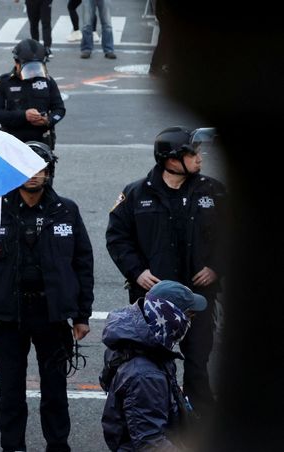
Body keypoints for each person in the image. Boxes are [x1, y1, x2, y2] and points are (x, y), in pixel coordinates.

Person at [0, 141, 94, 452]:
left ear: (49, 172)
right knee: (10, 390)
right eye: (26, 168)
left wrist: (81, 315)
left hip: (52, 315)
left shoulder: (67, 209)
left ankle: (58, 444)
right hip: (9, 315)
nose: (33, 175)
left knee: (55, 388)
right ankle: (13, 446)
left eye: (40, 168)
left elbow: (83, 262)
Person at [105, 126, 227, 420]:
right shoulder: (136, 194)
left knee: (198, 364)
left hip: (198, 301)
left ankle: (200, 426)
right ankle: (157, 421)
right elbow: (117, 237)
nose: (200, 157)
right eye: (192, 152)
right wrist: (137, 272)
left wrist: (216, 267)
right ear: (171, 159)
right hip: (153, 302)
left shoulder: (213, 190)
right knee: (152, 363)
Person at [100, 280, 207, 451]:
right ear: (172, 318)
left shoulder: (140, 344)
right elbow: (151, 442)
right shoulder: (146, 375)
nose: (190, 321)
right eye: (189, 315)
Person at [0, 39, 66, 150]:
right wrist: (24, 115)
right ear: (17, 63)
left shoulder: (48, 82)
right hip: (12, 144)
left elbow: (59, 109)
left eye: (37, 67)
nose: (33, 72)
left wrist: (48, 120)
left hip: (41, 144)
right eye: (29, 68)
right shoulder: (2, 83)